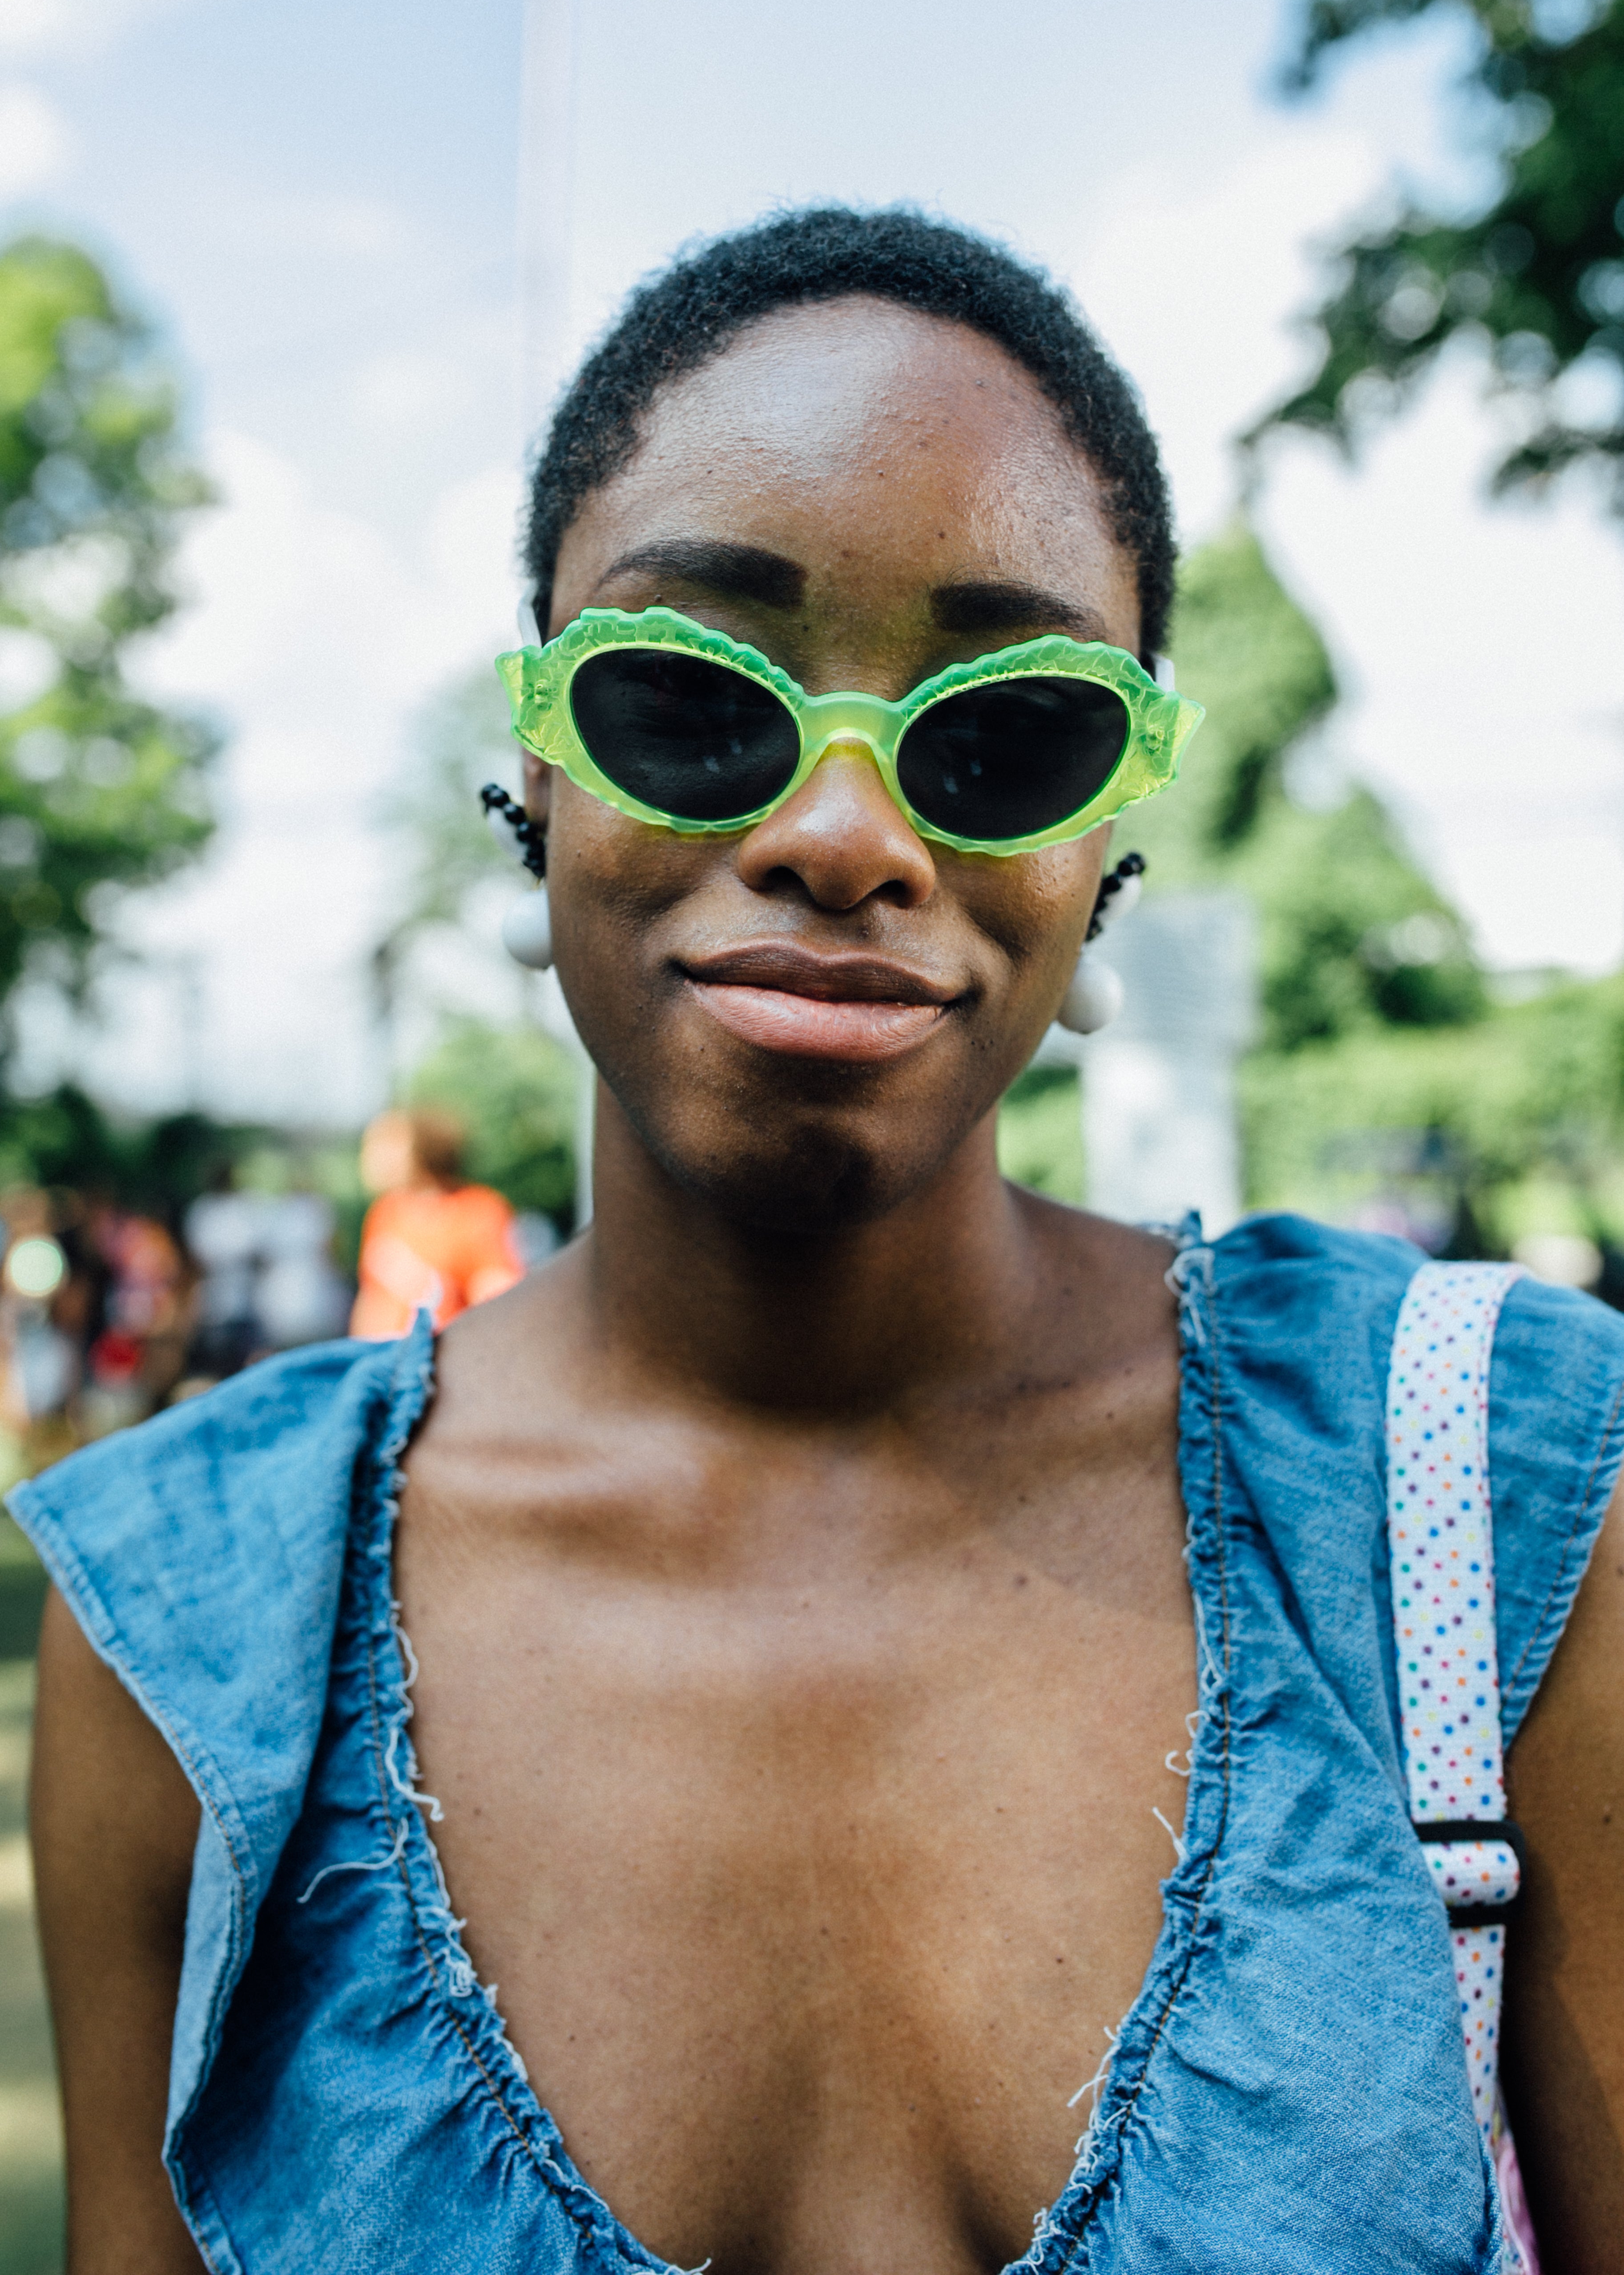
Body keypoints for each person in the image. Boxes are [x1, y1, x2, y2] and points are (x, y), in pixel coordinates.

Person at [11, 209, 1624, 2275]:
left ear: (1104, 837)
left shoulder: (1472, 1501)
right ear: (535, 760)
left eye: (999, 735)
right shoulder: (193, 1638)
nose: (845, 833)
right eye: (691, 696)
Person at [349, 1106, 525, 1338]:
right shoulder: (386, 1212)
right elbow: (373, 1298)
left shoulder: (477, 1210)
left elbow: (499, 1298)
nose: (372, 1156)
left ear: (425, 1149)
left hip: (443, 1358)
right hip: (386, 1358)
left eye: (386, 1145)